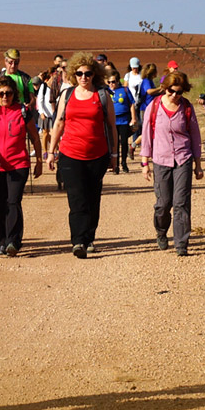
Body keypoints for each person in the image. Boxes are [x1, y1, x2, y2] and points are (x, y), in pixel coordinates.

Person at [46, 53, 115, 258]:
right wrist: (51, 152)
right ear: (74, 74)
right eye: (79, 73)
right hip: (70, 154)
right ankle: (78, 241)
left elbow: (111, 127)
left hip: (97, 155)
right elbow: (58, 123)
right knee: (77, 199)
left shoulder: (102, 95)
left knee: (92, 198)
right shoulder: (67, 95)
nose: (83, 77)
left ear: (95, 74)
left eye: (87, 73)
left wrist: (114, 155)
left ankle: (89, 237)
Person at [140, 69, 203, 255]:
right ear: (164, 88)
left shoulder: (187, 107)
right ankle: (161, 232)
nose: (175, 95)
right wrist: (145, 163)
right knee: (163, 204)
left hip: (183, 158)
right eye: (171, 91)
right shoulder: (154, 107)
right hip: (161, 159)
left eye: (179, 92)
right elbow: (146, 135)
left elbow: (195, 137)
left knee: (181, 202)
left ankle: (181, 243)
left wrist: (198, 165)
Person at [0, 73, 43, 255]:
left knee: (13, 201)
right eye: (1, 93)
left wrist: (38, 161)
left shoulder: (23, 112)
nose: (5, 97)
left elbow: (35, 138)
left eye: (8, 93)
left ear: (14, 93)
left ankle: (13, 241)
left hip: (18, 165)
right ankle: (1, 241)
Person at [106, 66, 138, 174]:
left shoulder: (124, 90)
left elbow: (131, 104)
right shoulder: (106, 91)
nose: (111, 84)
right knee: (114, 144)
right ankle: (115, 165)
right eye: (109, 82)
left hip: (124, 120)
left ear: (118, 80)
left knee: (124, 142)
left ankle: (124, 162)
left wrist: (133, 118)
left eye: (113, 82)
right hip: (111, 121)